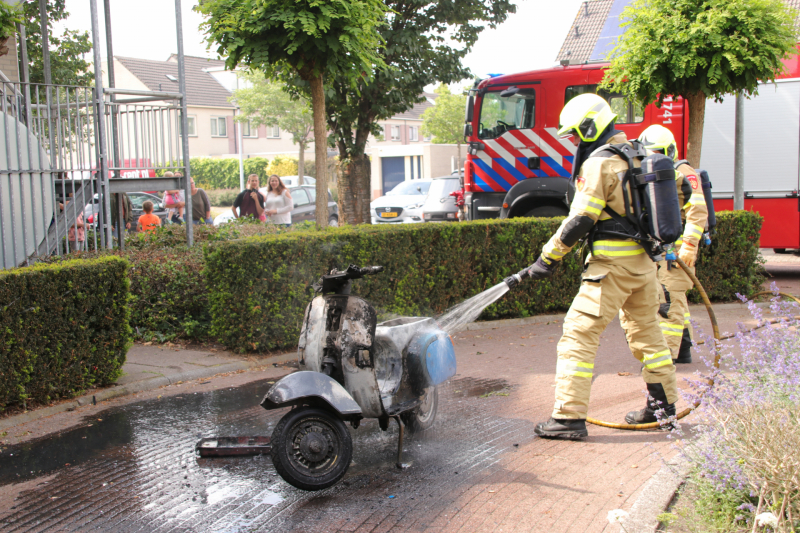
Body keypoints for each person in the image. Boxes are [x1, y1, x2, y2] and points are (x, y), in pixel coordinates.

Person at [524, 93, 677, 439]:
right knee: (649, 337)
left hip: (611, 268)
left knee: (577, 336)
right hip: (644, 267)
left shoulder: (600, 163)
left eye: (576, 134)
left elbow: (581, 219)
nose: (574, 142)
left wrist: (548, 258)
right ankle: (663, 410)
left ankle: (568, 418)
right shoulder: (636, 154)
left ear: (590, 127)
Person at [622, 125, 709, 365]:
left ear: (670, 150)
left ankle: (665, 359)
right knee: (675, 301)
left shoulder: (683, 171)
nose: (655, 157)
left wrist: (689, 246)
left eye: (660, 152)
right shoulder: (649, 172)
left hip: (678, 251)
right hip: (661, 251)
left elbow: (698, 210)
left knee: (668, 303)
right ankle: (684, 349)